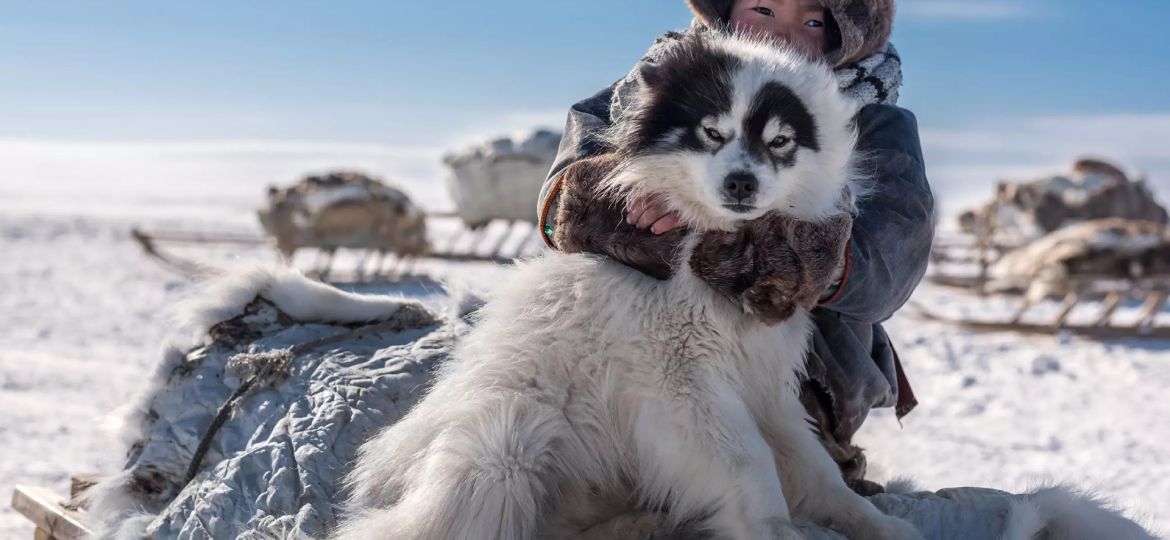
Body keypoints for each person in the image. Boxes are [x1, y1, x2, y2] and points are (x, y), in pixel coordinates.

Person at [536, 0, 934, 494]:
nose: (781, 36)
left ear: (847, 36)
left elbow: (886, 270)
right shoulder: (654, 85)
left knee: (785, 479)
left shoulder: (875, 123)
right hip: (627, 352)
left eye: (812, 22)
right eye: (763, 9)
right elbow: (560, 212)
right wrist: (639, 199)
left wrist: (743, 237)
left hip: (804, 378)